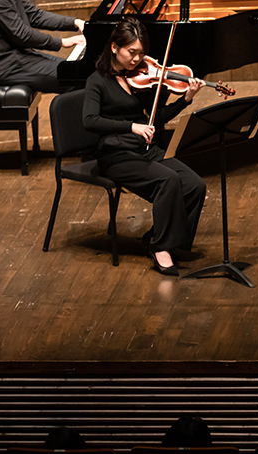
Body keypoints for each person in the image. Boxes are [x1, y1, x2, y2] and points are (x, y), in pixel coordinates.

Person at [83, 17, 208, 275]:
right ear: (115, 47)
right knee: (168, 181)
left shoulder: (140, 79)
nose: (137, 59)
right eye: (131, 52)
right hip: (116, 155)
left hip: (145, 150)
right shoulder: (97, 81)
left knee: (195, 185)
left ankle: (158, 238)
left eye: (141, 53)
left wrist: (186, 99)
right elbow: (90, 120)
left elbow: (157, 117)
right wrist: (131, 126)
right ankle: (161, 248)